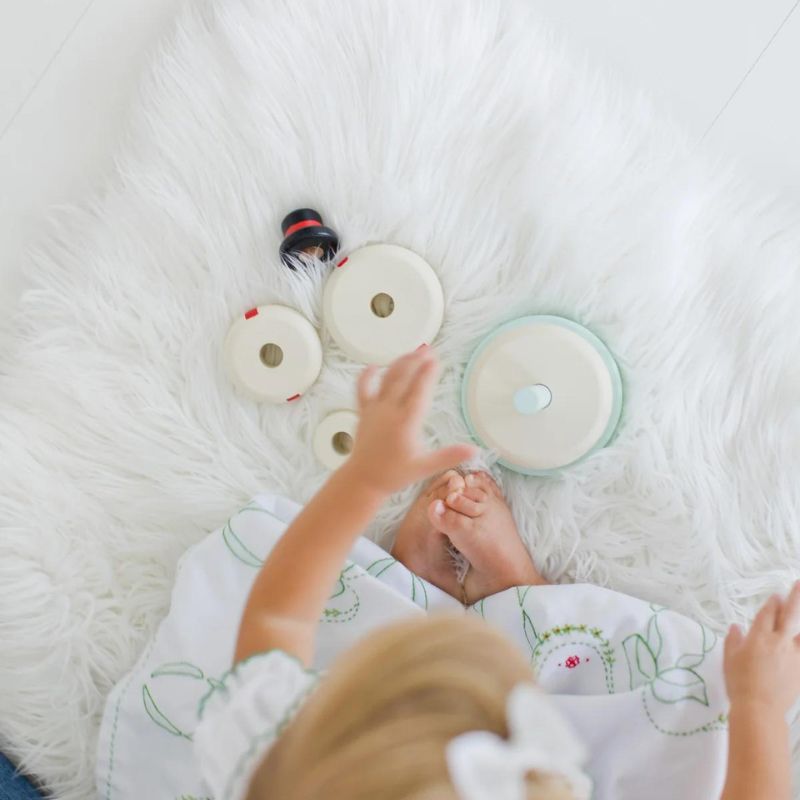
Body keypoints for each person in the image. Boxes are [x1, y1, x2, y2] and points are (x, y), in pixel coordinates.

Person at [96, 346, 800, 800]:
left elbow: (279, 615)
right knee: (674, 742)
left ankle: (418, 591)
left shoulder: (264, 755)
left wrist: (364, 479)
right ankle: (523, 604)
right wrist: (760, 707)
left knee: (295, 597)